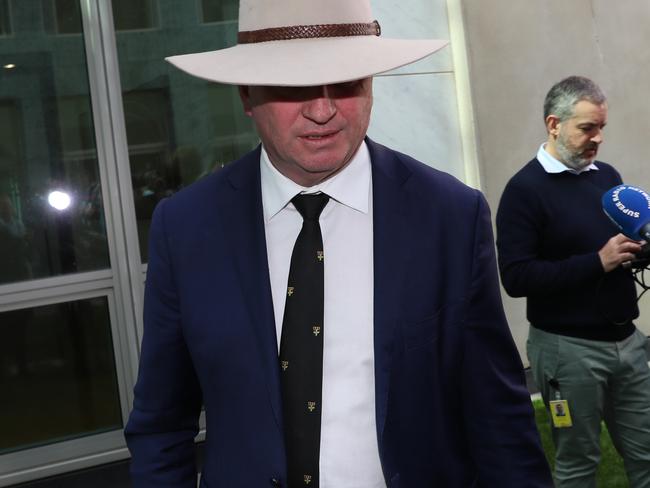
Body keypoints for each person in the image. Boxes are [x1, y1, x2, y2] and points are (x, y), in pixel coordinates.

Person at [124, 0, 552, 486]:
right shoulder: (186, 229)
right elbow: (161, 424)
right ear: (246, 94)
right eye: (294, 86)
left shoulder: (449, 216)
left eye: (347, 82)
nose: (323, 110)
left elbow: (497, 414)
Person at [496, 75, 650, 487]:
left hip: (628, 342)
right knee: (578, 463)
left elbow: (621, 247)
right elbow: (516, 276)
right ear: (554, 124)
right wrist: (597, 262)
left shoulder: (606, 176)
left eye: (601, 127)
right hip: (568, 351)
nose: (597, 137)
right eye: (587, 128)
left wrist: (640, 248)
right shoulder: (524, 190)